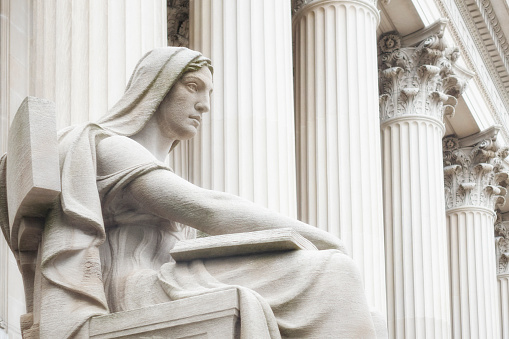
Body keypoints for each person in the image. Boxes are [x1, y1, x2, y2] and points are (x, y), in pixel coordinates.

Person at [2, 47, 376, 338]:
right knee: (333, 271)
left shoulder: (141, 156)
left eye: (208, 92)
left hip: (170, 276)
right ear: (155, 88)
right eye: (193, 86)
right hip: (134, 288)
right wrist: (324, 239)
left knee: (362, 308)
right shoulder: (110, 145)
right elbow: (208, 209)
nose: (205, 105)